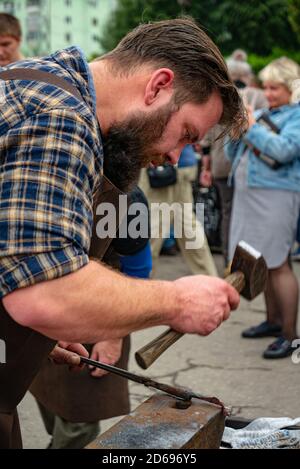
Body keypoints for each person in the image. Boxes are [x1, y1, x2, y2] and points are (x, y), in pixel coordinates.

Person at [0, 18, 244, 448]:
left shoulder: (36, 83)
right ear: (158, 86)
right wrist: (178, 300)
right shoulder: (61, 117)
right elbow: (43, 293)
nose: (173, 156)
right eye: (185, 133)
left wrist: (39, 334)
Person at [225, 57, 300, 359]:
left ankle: (290, 334)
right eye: (266, 87)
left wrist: (252, 127)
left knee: (278, 262)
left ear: (290, 87)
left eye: (275, 88)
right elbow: (235, 153)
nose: (268, 93)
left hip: (277, 195)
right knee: (264, 261)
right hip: (252, 194)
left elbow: (284, 151)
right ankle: (273, 321)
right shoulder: (269, 113)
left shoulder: (296, 115)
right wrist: (237, 129)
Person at [200, 59, 267, 267]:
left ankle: (230, 260)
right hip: (248, 166)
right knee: (246, 215)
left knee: (227, 214)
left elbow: (207, 138)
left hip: (220, 165)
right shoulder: (258, 97)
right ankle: (250, 261)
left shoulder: (218, 97)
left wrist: (206, 168)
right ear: (246, 75)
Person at [140, 144, 218, 276]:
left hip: (164, 166)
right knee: (188, 230)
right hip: (179, 166)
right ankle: (212, 283)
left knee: (150, 235)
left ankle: (139, 287)